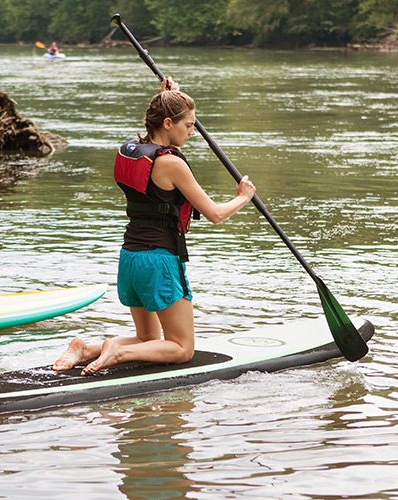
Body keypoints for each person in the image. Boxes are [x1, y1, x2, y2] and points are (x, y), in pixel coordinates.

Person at [53, 77, 256, 376]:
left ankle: (86, 349)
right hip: (160, 260)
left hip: (131, 257)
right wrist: (243, 197)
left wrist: (167, 97)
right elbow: (214, 213)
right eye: (188, 125)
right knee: (182, 348)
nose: (192, 131)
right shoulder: (171, 164)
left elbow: (155, 126)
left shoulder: (129, 149)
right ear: (169, 123)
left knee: (148, 339)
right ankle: (118, 351)